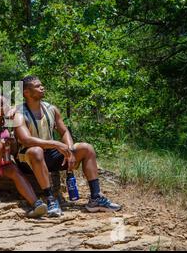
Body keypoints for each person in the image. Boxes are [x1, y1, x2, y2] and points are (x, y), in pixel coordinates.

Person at [13, 75, 121, 217]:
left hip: (50, 155)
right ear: (26, 92)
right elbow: (25, 140)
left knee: (86, 148)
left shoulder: (51, 109)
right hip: (28, 158)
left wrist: (69, 151)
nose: (42, 88)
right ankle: (50, 199)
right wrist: (56, 144)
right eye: (38, 86)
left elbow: (64, 131)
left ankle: (96, 198)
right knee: (36, 151)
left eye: (42, 85)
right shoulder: (19, 114)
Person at [0, 91, 47, 218]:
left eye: (6, 103)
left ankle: (36, 204)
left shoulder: (8, 120)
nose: (5, 106)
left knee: (14, 170)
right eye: (0, 104)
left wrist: (12, 143)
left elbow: (22, 105)